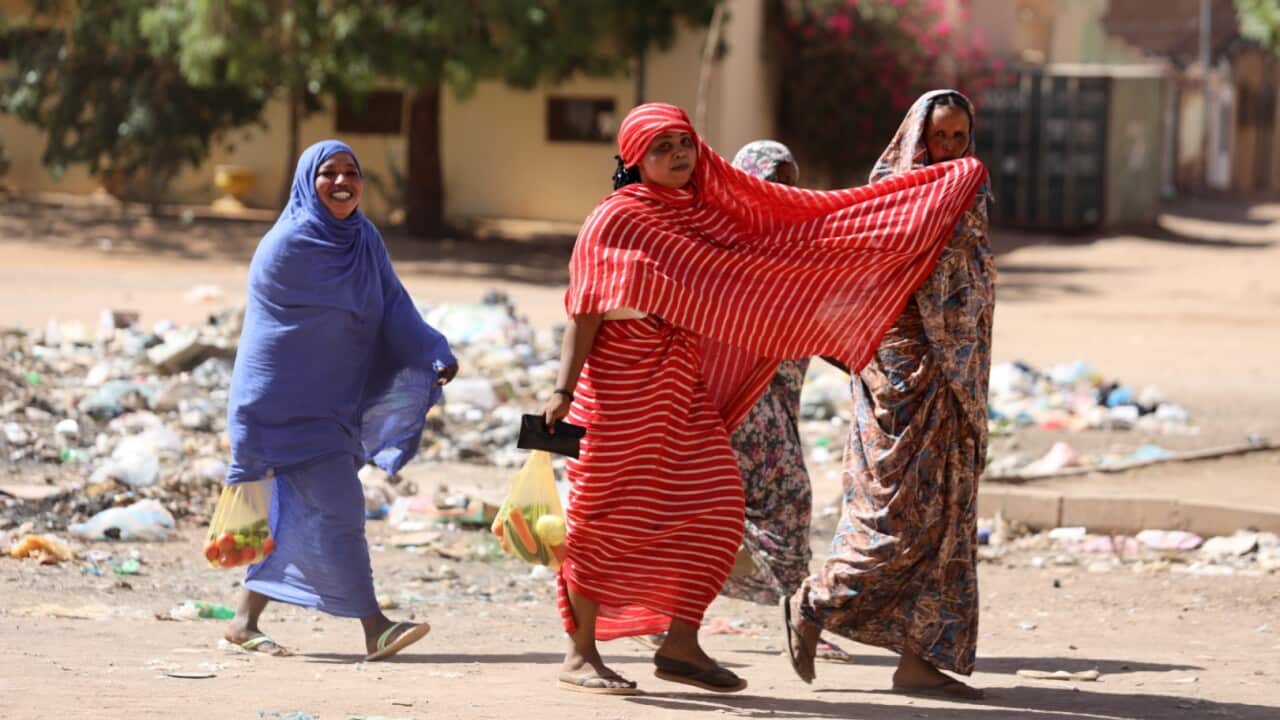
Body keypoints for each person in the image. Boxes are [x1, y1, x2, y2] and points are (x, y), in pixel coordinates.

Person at [542, 102, 987, 695]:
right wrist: (560, 390)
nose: (677, 154)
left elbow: (773, 262)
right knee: (604, 520)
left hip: (680, 388)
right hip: (620, 392)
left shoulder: (704, 218)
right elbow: (586, 312)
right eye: (661, 146)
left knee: (717, 505)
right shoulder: (615, 219)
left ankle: (679, 644)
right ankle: (581, 654)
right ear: (632, 159)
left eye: (684, 142)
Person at [782, 90, 994, 701]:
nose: (949, 150)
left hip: (956, 385)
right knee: (895, 515)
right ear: (913, 139)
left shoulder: (969, 196)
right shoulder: (890, 201)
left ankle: (920, 660)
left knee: (947, 519)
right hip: (902, 379)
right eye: (938, 138)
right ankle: (815, 599)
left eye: (959, 138)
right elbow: (857, 283)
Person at [222, 140, 458, 661]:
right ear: (309, 181)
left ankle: (242, 622)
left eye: (352, 171)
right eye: (328, 173)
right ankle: (375, 627)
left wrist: (429, 348)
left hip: (332, 402)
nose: (341, 181)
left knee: (302, 513)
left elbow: (391, 302)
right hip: (279, 405)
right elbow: (310, 323)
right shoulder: (287, 244)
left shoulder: (363, 239)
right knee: (341, 508)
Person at [630, 140, 853, 665]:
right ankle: (785, 615)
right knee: (767, 505)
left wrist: (862, 360)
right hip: (733, 405)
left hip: (776, 405)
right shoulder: (724, 242)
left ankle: (787, 615)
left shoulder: (794, 245)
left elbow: (815, 323)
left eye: (789, 179)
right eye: (772, 179)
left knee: (767, 512)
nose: (782, 190)